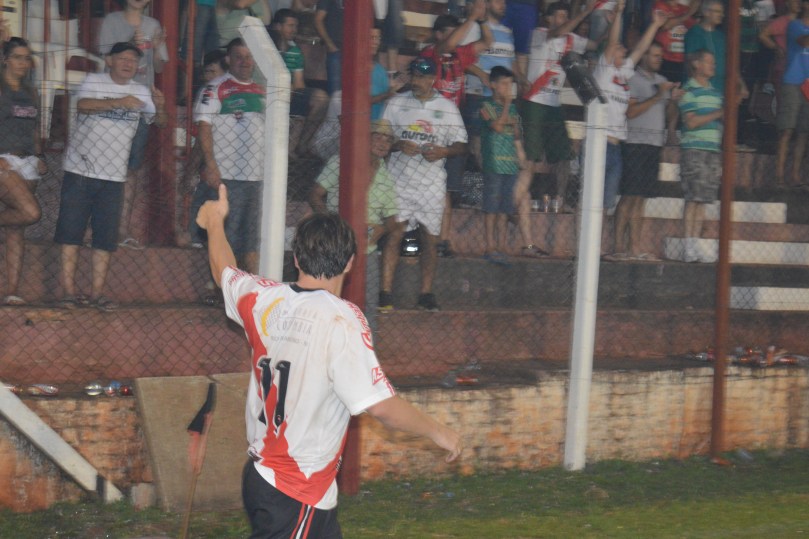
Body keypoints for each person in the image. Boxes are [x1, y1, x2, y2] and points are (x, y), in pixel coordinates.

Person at [195, 194, 462, 538]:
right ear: (350, 262)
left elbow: (224, 272)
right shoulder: (342, 321)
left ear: (296, 258)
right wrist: (438, 431)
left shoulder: (263, 298)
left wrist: (215, 222)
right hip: (295, 489)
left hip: (270, 479)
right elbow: (381, 406)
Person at [54, 42, 166, 310]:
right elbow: (82, 105)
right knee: (71, 233)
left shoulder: (140, 91)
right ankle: (67, 291)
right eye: (123, 58)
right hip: (80, 170)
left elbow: (159, 122)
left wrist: (160, 106)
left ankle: (97, 294)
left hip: (115, 177)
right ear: (109, 60)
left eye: (133, 60)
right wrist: (118, 102)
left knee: (104, 238)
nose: (128, 63)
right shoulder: (94, 80)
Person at [380, 58, 468, 312]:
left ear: (433, 80)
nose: (417, 81)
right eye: (415, 76)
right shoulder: (396, 103)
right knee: (394, 232)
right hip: (400, 180)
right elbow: (381, 138)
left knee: (431, 238)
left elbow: (462, 145)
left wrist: (443, 151)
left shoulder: (448, 107)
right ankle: (385, 292)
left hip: (431, 184)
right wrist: (398, 145)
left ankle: (426, 293)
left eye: (423, 77)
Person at [420, 1, 493, 258]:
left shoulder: (459, 55)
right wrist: (471, 17)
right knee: (424, 185)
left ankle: (444, 239)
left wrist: (482, 19)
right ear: (439, 34)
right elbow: (448, 46)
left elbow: (487, 42)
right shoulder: (432, 52)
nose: (455, 39)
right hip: (428, 127)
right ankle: (424, 237)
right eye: (451, 32)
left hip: (453, 128)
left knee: (448, 187)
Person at [309, 119, 398, 327]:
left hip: (368, 248)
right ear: (365, 139)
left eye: (388, 139)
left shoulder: (386, 175)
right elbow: (315, 195)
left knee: (368, 307)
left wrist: (382, 229)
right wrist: (332, 224)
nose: (383, 143)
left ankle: (366, 353)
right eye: (378, 136)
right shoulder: (341, 162)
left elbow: (393, 219)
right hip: (336, 245)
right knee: (330, 301)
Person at [98, 0, 170, 249]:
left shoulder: (153, 24)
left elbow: (159, 66)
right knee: (103, 166)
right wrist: (130, 41)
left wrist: (158, 47)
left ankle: (121, 230)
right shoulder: (112, 21)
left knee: (131, 169)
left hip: (140, 103)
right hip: (112, 100)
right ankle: (97, 227)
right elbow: (105, 59)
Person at [521, 0, 598, 226]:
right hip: (534, 101)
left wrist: (613, 24)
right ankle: (522, 198)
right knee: (531, 157)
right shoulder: (539, 34)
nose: (562, 20)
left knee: (564, 156)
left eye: (565, 16)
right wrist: (585, 11)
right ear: (549, 18)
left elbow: (596, 45)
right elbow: (559, 32)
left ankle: (561, 199)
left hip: (553, 104)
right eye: (559, 16)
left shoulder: (571, 40)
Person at [194, 38, 265, 274]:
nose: (245, 61)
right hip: (227, 177)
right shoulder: (215, 88)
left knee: (253, 240)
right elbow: (203, 127)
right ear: (228, 59)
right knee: (227, 237)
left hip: (257, 177)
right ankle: (220, 290)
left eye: (249, 56)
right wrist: (211, 165)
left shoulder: (264, 89)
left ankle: (251, 291)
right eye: (239, 56)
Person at [592, 0, 667, 213]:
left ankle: (597, 246)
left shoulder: (623, 72)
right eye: (619, 49)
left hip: (616, 145)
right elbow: (613, 40)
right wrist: (619, 14)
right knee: (591, 202)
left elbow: (641, 48)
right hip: (600, 142)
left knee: (606, 203)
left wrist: (654, 25)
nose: (623, 49)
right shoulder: (604, 70)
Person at [614, 41, 682, 260]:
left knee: (641, 199)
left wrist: (673, 101)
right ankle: (618, 247)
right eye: (654, 55)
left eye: (660, 55)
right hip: (635, 143)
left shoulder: (662, 82)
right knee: (628, 197)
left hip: (654, 144)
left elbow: (669, 114)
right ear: (643, 57)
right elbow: (630, 112)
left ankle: (634, 247)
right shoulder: (633, 79)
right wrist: (656, 97)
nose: (658, 59)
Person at [0, 37, 43, 306]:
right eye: (17, 57)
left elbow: (35, 129)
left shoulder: (30, 92)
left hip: (27, 163)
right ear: (5, 59)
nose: (22, 63)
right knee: (31, 213)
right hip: (3, 161)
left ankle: (12, 291)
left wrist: (39, 156)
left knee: (17, 227)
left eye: (26, 58)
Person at [678, 49, 727, 262]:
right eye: (708, 62)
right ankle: (688, 244)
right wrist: (719, 113)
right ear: (697, 64)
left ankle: (696, 244)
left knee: (703, 200)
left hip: (712, 149)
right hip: (694, 150)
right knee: (693, 199)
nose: (712, 66)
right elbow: (690, 122)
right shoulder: (688, 90)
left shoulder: (716, 93)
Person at [479, 66, 526, 265]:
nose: (508, 88)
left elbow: (515, 134)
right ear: (493, 85)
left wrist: (521, 155)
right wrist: (507, 105)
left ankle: (502, 246)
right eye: (504, 84)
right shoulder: (486, 106)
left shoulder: (514, 109)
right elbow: (497, 127)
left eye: (510, 84)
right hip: (494, 164)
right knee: (491, 208)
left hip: (510, 165)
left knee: (505, 209)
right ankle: (490, 246)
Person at [270, 8, 329, 158]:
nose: (294, 30)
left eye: (295, 26)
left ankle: (301, 144)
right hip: (269, 93)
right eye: (290, 25)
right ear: (278, 26)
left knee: (320, 98)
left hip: (290, 92)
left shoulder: (295, 51)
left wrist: (296, 96)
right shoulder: (267, 47)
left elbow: (299, 83)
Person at [774, 0, 809, 187]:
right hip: (793, 82)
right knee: (787, 129)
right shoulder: (795, 25)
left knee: (804, 132)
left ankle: (795, 176)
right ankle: (779, 176)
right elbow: (804, 41)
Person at [653, 0, 699, 83]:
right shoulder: (660, 5)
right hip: (665, 60)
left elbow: (695, 28)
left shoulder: (684, 8)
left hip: (682, 62)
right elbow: (664, 25)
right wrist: (687, 14)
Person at [314, 0, 345, 95]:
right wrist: (330, 44)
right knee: (336, 93)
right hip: (336, 50)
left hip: (353, 50)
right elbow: (318, 20)